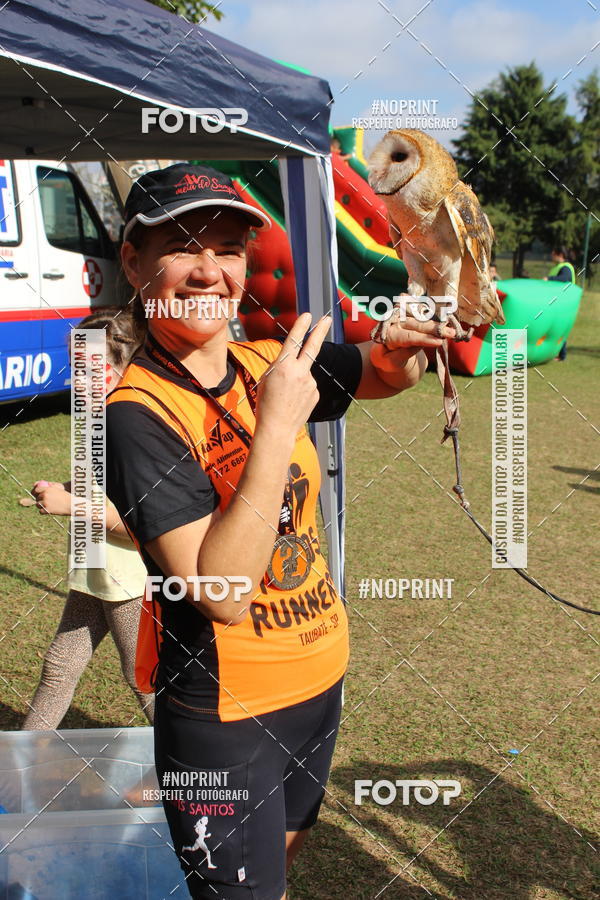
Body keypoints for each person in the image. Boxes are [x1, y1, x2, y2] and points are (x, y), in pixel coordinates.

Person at [105, 163, 456, 900]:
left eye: (229, 249)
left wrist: (401, 342)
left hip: (318, 685)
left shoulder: (267, 360)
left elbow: (385, 376)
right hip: (226, 720)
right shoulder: (135, 415)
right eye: (184, 245)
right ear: (133, 261)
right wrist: (277, 424)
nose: (210, 271)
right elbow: (220, 592)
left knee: (277, 875)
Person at [22, 309, 154, 729]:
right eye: (75, 369)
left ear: (126, 366)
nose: (78, 381)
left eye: (91, 370)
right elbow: (98, 487)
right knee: (59, 666)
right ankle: (23, 771)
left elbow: (142, 523)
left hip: (128, 581)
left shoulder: (131, 429)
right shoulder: (96, 423)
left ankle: (196, 769)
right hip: (95, 569)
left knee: (144, 680)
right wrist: (60, 488)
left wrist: (71, 506)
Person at [543, 247, 576, 361]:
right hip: (556, 301)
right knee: (556, 328)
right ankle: (557, 354)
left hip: (563, 302)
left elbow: (564, 278)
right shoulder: (558, 267)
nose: (552, 255)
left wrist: (549, 278)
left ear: (560, 254)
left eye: (554, 253)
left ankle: (562, 356)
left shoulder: (565, 267)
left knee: (560, 329)